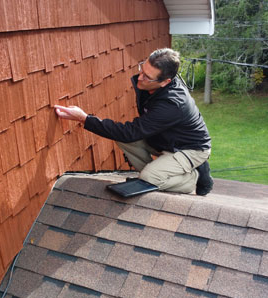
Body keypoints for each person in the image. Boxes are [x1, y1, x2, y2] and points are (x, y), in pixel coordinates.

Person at [55, 48, 213, 195]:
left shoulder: (172, 104)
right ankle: (153, 174)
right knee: (123, 140)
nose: (140, 77)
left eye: (147, 77)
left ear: (165, 81)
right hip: (164, 139)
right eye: (142, 69)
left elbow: (131, 132)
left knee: (150, 178)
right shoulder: (153, 85)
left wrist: (84, 118)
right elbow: (127, 134)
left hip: (189, 148)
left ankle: (192, 179)